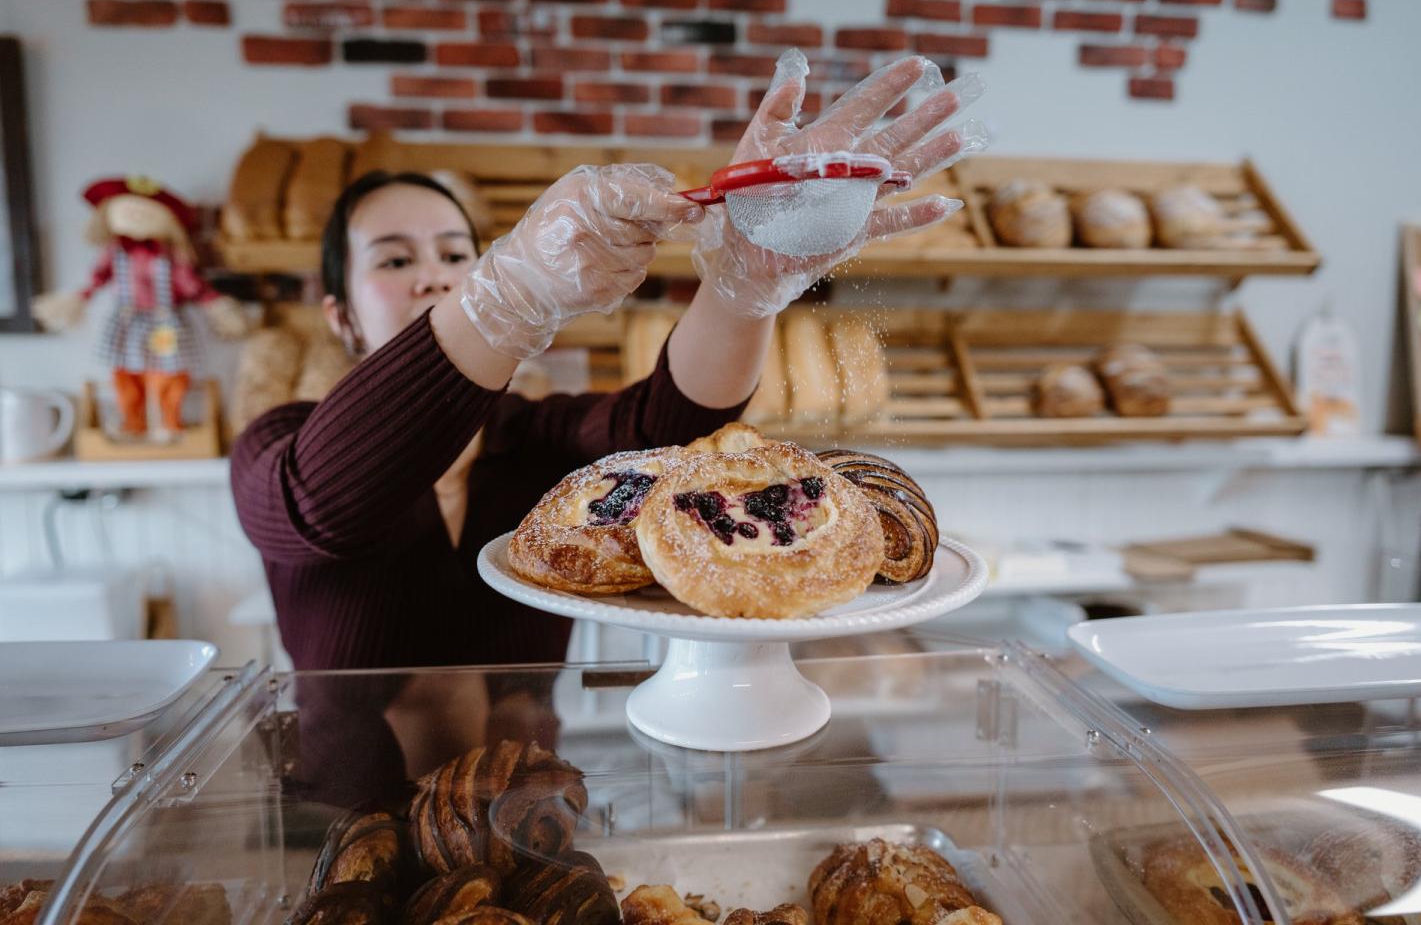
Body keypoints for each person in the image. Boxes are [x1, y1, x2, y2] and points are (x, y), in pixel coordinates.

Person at [229, 50, 982, 792]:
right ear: (340, 316)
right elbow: (322, 501)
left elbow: (673, 431)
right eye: (394, 262)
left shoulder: (535, 442)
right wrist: (506, 295)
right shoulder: (280, 444)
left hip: (529, 819)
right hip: (340, 829)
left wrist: (742, 288)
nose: (432, 274)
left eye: (458, 254)